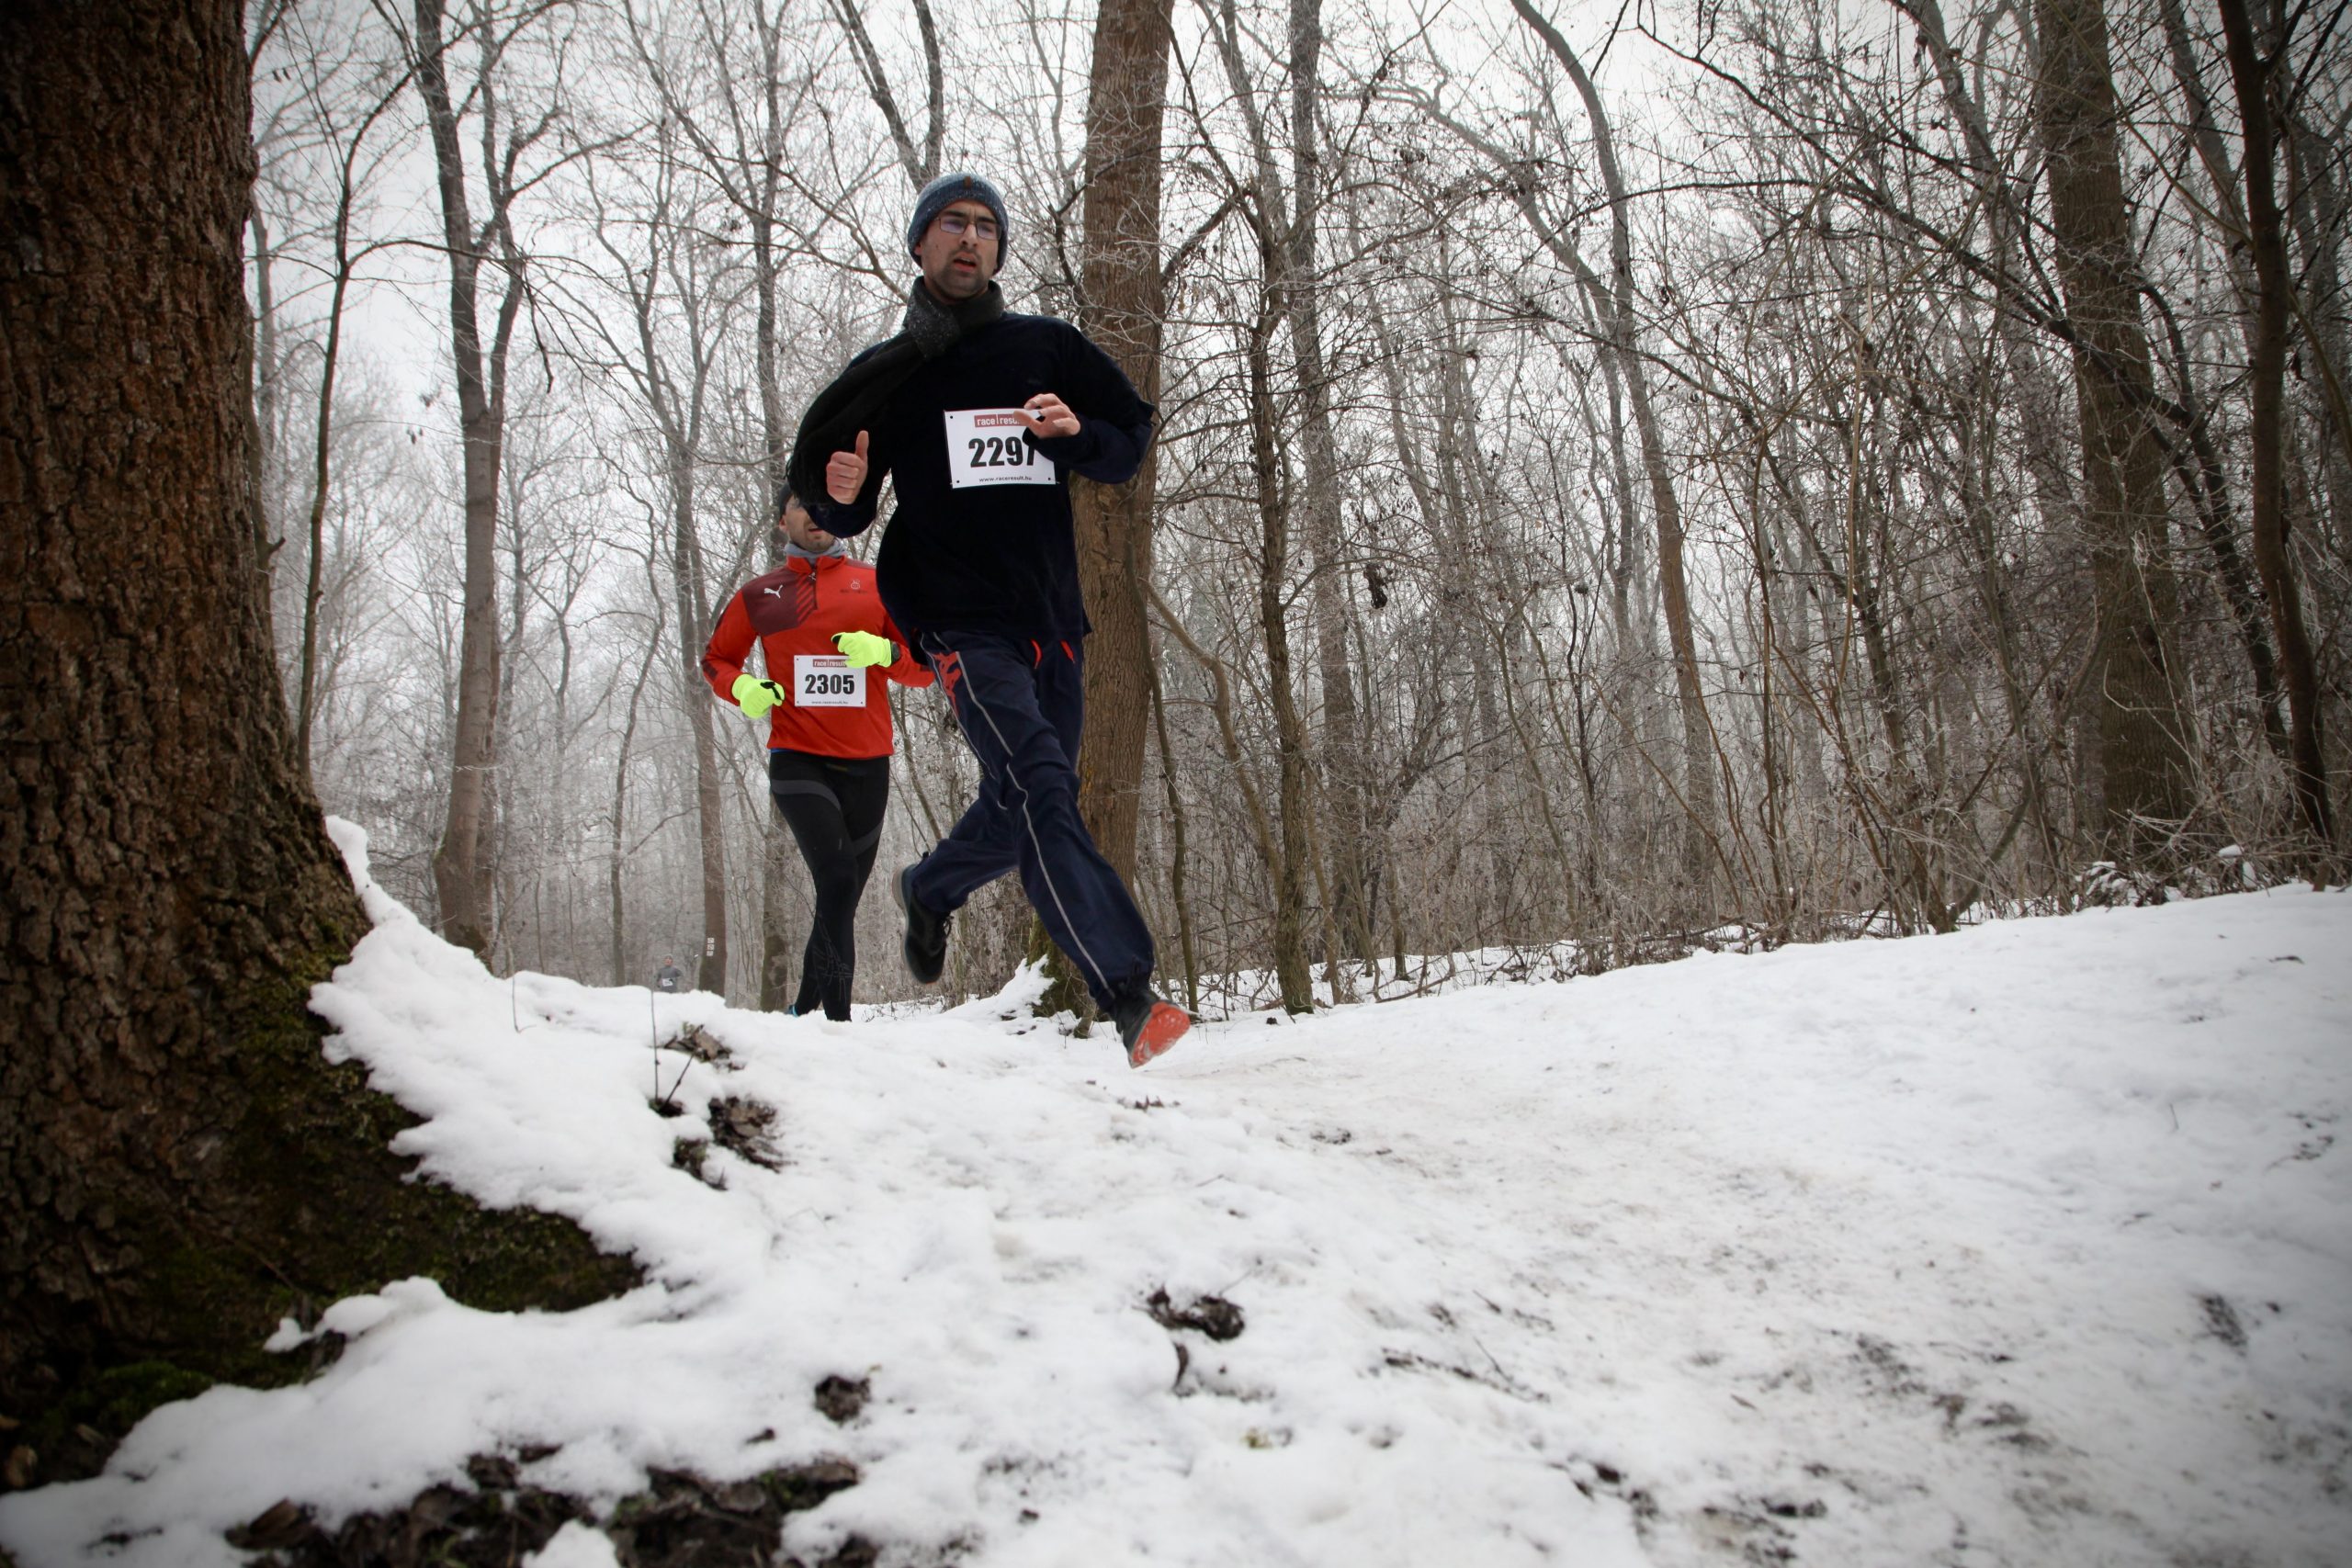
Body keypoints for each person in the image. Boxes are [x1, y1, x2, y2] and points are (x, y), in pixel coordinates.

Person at [787, 171, 1191, 1068]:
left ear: (999, 248)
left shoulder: (1044, 348)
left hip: (1052, 619)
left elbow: (1127, 440)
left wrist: (1075, 433)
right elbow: (836, 496)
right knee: (1045, 783)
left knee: (1016, 813)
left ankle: (931, 887)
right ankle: (1128, 996)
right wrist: (840, 495)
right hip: (960, 625)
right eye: (950, 224)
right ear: (920, 246)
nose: (968, 238)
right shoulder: (890, 378)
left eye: (984, 226)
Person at [702, 493, 934, 1021]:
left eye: (824, 506)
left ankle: (804, 1012)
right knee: (837, 879)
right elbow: (715, 659)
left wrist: (886, 653)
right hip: (798, 759)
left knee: (840, 896)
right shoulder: (761, 594)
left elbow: (925, 666)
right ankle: (837, 1023)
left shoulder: (877, 585)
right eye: (801, 506)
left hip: (869, 764)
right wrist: (742, 688)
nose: (814, 515)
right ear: (783, 520)